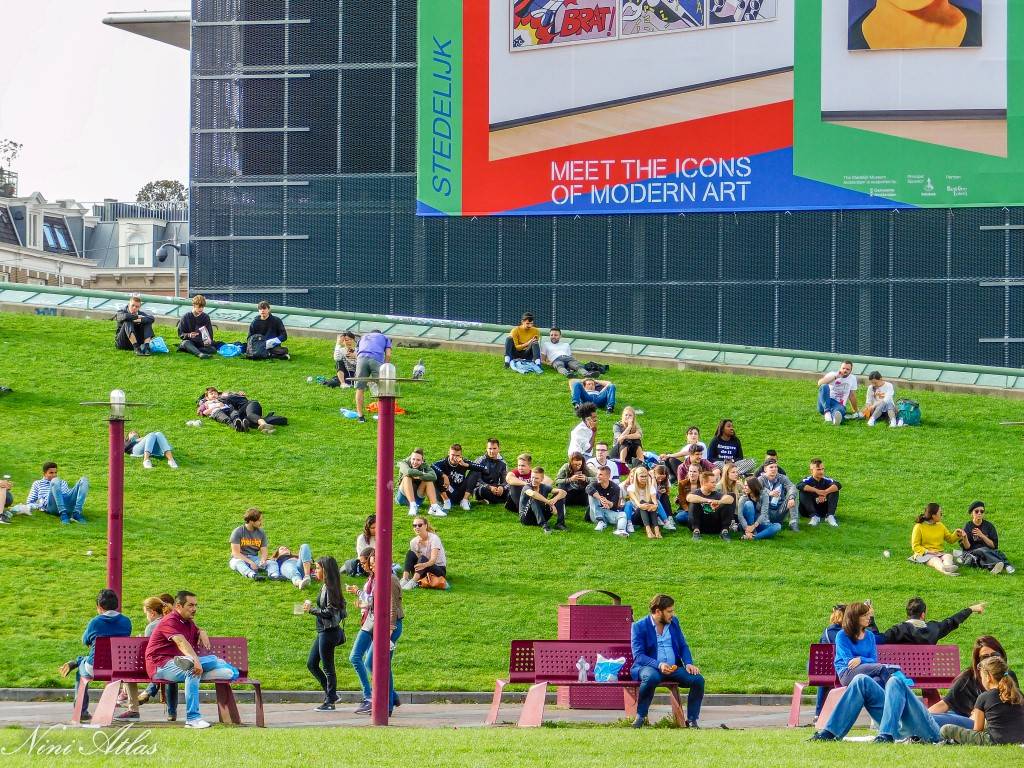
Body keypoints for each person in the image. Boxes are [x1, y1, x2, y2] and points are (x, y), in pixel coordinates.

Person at [146, 590, 240, 729]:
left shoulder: (187, 622)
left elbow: (196, 631)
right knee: (194, 668)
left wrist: (201, 631)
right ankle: (193, 718)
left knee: (203, 668)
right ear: (178, 606)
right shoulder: (169, 621)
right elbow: (181, 642)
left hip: (178, 663)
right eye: (190, 605)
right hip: (160, 666)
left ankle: (219, 666)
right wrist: (195, 660)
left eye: (196, 605)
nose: (194, 609)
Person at [60, 589, 136, 722]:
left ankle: (82, 710)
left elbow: (85, 641)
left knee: (81, 673)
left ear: (99, 607)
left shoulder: (95, 622)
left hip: (95, 667)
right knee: (86, 661)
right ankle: (78, 661)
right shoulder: (126, 621)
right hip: (119, 666)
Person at [629, 594, 705, 728]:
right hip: (649, 667)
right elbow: (639, 656)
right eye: (669, 611)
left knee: (698, 679)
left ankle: (692, 719)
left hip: (673, 668)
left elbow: (683, 645)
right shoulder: (639, 627)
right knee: (651, 677)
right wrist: (659, 664)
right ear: (658, 611)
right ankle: (640, 717)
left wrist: (688, 663)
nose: (672, 614)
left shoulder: (674, 622)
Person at [809, 672, 942, 743]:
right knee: (860, 680)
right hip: (899, 724)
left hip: (927, 730)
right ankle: (830, 733)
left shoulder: (962, 687)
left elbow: (946, 707)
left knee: (895, 681)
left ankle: (886, 735)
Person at [347, 547, 404, 715]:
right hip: (378, 624)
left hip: (389, 626)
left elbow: (392, 606)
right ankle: (390, 699)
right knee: (371, 663)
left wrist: (390, 630)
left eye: (374, 564)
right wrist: (365, 604)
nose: (371, 567)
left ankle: (387, 706)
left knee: (377, 663)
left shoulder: (391, 579)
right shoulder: (378, 578)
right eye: (371, 564)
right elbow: (376, 601)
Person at [930, 636, 1013, 729]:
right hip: (963, 717)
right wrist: (924, 715)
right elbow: (945, 703)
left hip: (977, 722)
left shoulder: (1008, 676)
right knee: (931, 718)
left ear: (1001, 656)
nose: (990, 660)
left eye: (995, 655)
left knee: (936, 721)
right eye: (985, 657)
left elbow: (1011, 707)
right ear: (978, 662)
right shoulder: (967, 678)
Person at [939, 656, 1024, 746]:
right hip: (1020, 739)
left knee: (946, 729)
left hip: (994, 741)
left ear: (988, 677)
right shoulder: (1017, 694)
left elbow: (977, 730)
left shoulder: (983, 697)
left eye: (981, 677)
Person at [303, 556, 346, 711]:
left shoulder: (330, 588)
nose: (315, 571)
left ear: (326, 571)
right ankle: (331, 694)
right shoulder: (327, 586)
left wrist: (311, 610)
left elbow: (329, 612)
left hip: (329, 632)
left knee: (328, 668)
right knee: (312, 663)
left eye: (318, 568)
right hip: (324, 631)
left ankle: (330, 701)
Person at [872, 596, 985, 645]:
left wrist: (870, 618)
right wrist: (971, 609)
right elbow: (953, 620)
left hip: (901, 675)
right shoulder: (934, 628)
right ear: (923, 614)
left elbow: (875, 639)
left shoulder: (898, 630)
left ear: (908, 614)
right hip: (925, 673)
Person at [136, 595, 179, 721]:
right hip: (175, 663)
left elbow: (149, 651)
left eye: (146, 614)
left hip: (156, 665)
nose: (147, 617)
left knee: (164, 669)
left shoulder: (151, 627)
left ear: (153, 613)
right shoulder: (173, 622)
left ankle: (148, 692)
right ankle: (172, 712)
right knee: (171, 674)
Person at [833, 602, 886, 687]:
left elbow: (874, 659)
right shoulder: (842, 635)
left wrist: (860, 659)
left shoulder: (870, 635)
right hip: (847, 673)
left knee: (877, 680)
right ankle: (898, 695)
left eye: (868, 614)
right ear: (855, 618)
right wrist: (865, 661)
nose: (869, 618)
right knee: (881, 668)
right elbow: (849, 662)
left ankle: (885, 699)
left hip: (868, 672)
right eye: (865, 615)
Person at [812, 604, 847, 724]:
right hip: (839, 672)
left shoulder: (827, 632)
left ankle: (818, 713)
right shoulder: (845, 634)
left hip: (820, 671)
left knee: (823, 680)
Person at [911, 503, 967, 576]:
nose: (941, 514)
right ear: (933, 516)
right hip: (923, 554)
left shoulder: (940, 525)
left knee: (948, 556)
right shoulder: (919, 527)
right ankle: (944, 571)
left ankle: (948, 567)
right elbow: (915, 546)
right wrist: (928, 551)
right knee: (935, 560)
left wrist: (957, 533)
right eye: (940, 513)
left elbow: (950, 539)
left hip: (938, 553)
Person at [960, 501, 1015, 574]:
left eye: (982, 511)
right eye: (976, 511)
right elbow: (967, 548)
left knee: (998, 552)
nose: (979, 513)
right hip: (973, 552)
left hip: (988, 551)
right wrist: (964, 537)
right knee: (983, 550)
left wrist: (982, 535)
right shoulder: (968, 526)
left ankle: (996, 567)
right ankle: (1003, 564)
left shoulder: (989, 526)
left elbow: (994, 546)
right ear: (972, 513)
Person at [198, 388, 282, 434]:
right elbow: (202, 410)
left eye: (215, 393)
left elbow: (232, 395)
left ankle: (264, 424)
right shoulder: (209, 402)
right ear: (207, 397)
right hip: (241, 413)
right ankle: (266, 429)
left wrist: (238, 393)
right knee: (248, 421)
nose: (214, 395)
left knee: (250, 415)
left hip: (250, 405)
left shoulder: (225, 396)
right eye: (211, 394)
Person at [432, 444, 487, 513]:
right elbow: (432, 466)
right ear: (448, 454)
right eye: (453, 455)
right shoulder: (443, 462)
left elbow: (483, 468)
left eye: (457, 455)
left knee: (475, 471)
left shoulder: (463, 461)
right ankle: (446, 501)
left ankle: (464, 500)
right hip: (447, 491)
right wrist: (444, 476)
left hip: (460, 492)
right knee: (436, 475)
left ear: (461, 456)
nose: (455, 457)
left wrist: (466, 465)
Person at [353, 329, 392, 423]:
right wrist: (385, 366)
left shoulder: (363, 337)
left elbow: (356, 353)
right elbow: (388, 354)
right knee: (382, 387)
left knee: (360, 388)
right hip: (376, 359)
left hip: (361, 359)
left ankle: (360, 416)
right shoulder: (385, 338)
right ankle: (381, 415)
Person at [686, 471, 734, 541]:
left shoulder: (716, 493)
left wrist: (718, 502)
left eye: (715, 482)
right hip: (700, 525)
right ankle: (696, 532)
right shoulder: (696, 493)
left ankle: (724, 531)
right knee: (693, 503)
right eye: (712, 482)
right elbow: (689, 497)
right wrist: (708, 500)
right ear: (704, 483)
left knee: (727, 503)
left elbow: (730, 499)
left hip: (715, 525)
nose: (715, 484)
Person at [401, 517, 448, 589]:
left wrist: (424, 565)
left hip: (438, 570)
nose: (417, 527)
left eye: (419, 525)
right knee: (410, 553)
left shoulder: (434, 538)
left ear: (425, 526)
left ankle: (413, 581)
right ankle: (404, 579)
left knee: (423, 558)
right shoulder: (413, 541)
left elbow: (433, 560)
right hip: (421, 570)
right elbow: (416, 559)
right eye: (414, 525)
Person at [541, 327, 607, 378]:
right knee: (559, 365)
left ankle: (587, 374)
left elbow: (570, 356)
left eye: (555, 335)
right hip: (556, 359)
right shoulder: (546, 344)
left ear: (560, 336)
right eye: (551, 335)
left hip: (568, 358)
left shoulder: (566, 344)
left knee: (576, 365)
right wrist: (549, 363)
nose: (553, 337)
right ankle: (568, 374)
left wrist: (571, 364)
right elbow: (542, 359)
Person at [519, 466, 567, 534]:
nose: (533, 480)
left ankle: (560, 524)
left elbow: (563, 492)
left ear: (542, 479)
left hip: (541, 515)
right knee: (533, 498)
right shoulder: (526, 487)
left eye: (536, 478)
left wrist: (554, 500)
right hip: (526, 518)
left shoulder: (544, 487)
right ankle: (545, 526)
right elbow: (533, 494)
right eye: (532, 477)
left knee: (559, 496)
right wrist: (548, 502)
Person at [396, 448, 443, 517]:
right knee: (407, 477)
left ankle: (434, 507)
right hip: (403, 498)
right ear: (410, 458)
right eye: (413, 459)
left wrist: (419, 477)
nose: (415, 462)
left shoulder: (425, 466)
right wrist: (422, 474)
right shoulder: (404, 463)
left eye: (418, 460)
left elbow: (434, 476)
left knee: (429, 481)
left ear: (422, 461)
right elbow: (408, 472)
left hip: (418, 498)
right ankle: (412, 505)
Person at [796, 459, 841, 529]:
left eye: (822, 469)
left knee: (834, 490)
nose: (821, 472)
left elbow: (838, 485)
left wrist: (825, 492)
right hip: (807, 511)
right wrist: (817, 491)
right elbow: (799, 485)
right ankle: (814, 516)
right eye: (818, 469)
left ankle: (830, 516)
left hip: (823, 510)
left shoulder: (827, 480)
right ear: (811, 471)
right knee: (803, 490)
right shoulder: (807, 480)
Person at [228, 508, 270, 581]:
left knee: (271, 563)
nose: (261, 522)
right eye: (259, 520)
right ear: (251, 521)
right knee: (238, 563)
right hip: (239, 558)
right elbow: (235, 553)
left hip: (254, 558)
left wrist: (263, 560)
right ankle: (253, 575)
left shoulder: (261, 532)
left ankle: (274, 576)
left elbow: (264, 551)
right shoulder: (238, 532)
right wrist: (250, 562)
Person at [757, 460, 798, 533]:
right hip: (766, 511)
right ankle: (766, 523)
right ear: (765, 469)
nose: (774, 469)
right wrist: (769, 493)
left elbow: (792, 487)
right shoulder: (760, 479)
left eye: (776, 467)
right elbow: (756, 491)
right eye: (771, 467)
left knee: (792, 496)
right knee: (759, 496)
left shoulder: (782, 478)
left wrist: (791, 497)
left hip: (780, 509)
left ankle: (793, 522)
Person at [587, 465, 627, 536]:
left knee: (622, 514)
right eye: (597, 474)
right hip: (595, 513)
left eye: (600, 474)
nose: (598, 476)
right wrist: (600, 498)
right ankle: (600, 521)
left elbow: (613, 505)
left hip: (608, 512)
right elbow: (588, 488)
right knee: (592, 495)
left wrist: (607, 502)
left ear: (608, 476)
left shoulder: (615, 488)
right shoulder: (595, 484)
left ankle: (621, 531)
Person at [625, 465, 662, 539]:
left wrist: (654, 505)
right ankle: (648, 530)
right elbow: (638, 504)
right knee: (642, 502)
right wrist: (645, 505)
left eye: (645, 476)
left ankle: (656, 530)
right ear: (637, 477)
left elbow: (655, 502)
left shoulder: (651, 488)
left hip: (648, 514)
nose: (644, 478)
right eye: (642, 476)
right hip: (636, 516)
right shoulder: (631, 488)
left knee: (651, 503)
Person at [817, 360, 859, 425]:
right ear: (840, 368)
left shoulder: (852, 378)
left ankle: (834, 419)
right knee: (823, 386)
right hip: (826, 401)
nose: (845, 370)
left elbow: (852, 395)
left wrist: (855, 410)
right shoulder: (832, 374)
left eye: (847, 369)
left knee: (839, 411)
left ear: (851, 370)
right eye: (843, 368)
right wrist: (836, 377)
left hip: (839, 404)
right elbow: (819, 383)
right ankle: (827, 413)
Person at [472, 439, 509, 505]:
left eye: (494, 448)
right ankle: (501, 501)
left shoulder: (503, 463)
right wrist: (489, 487)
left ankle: (491, 501)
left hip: (496, 488)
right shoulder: (479, 461)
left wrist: (501, 487)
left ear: (499, 449)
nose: (492, 451)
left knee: (510, 491)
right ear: (486, 449)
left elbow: (506, 480)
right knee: (481, 491)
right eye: (490, 448)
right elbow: (477, 480)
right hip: (484, 488)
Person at [651, 464, 676, 531]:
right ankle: (661, 518)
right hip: (651, 500)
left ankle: (669, 517)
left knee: (665, 496)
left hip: (660, 500)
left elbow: (668, 492)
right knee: (656, 499)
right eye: (659, 477)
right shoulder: (649, 478)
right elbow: (652, 490)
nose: (660, 480)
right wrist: (653, 478)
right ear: (654, 473)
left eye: (663, 478)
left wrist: (664, 491)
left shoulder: (665, 481)